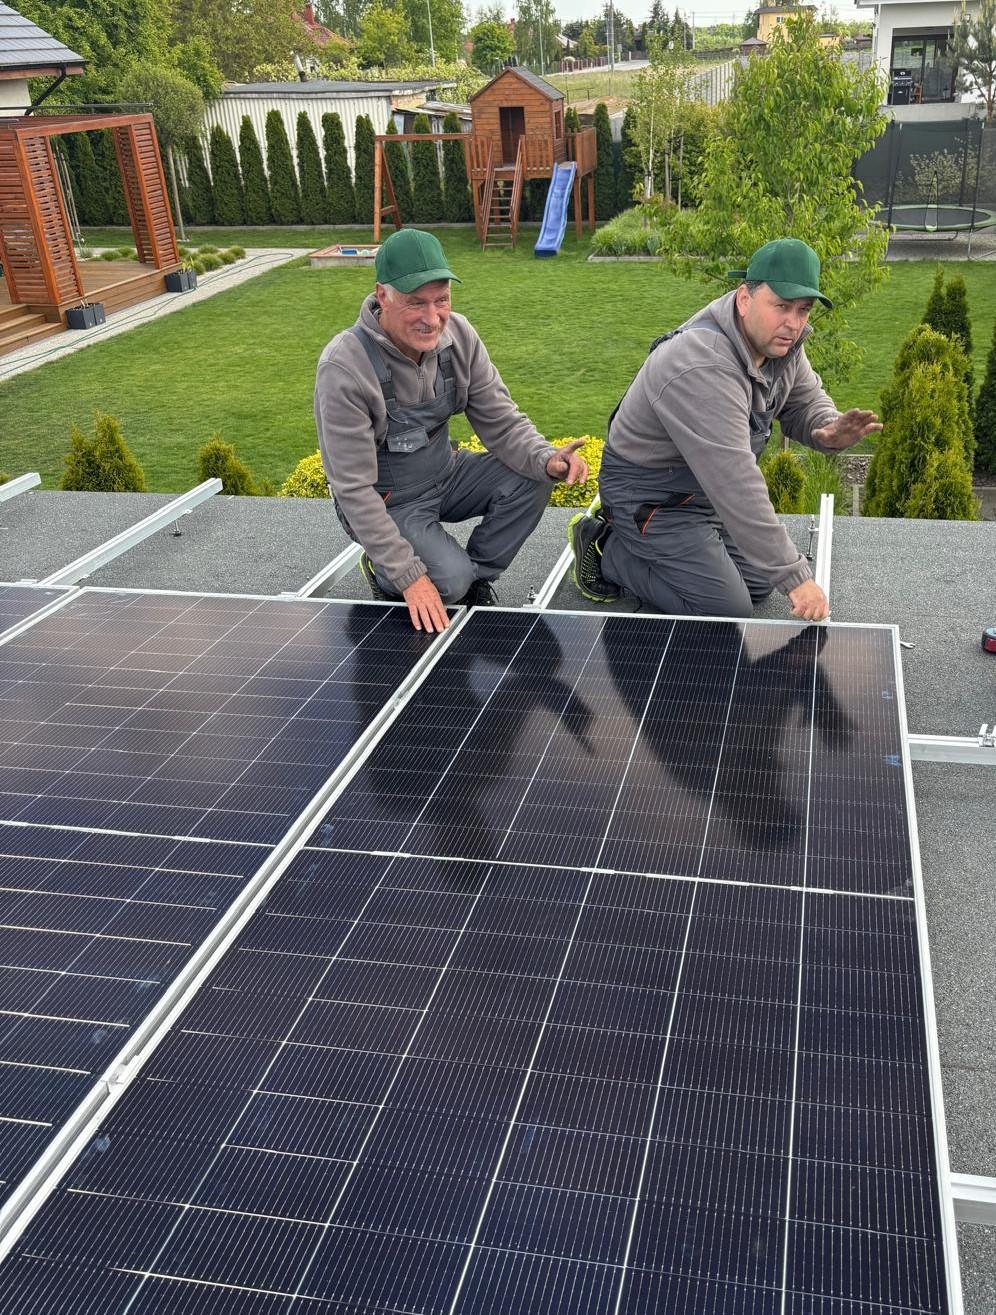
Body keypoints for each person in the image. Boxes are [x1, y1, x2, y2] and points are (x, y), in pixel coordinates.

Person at [568, 238, 881, 623]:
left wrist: (826, 431)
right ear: (744, 299)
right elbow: (734, 482)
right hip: (650, 498)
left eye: (803, 310)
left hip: (699, 495)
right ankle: (608, 548)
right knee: (723, 609)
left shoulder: (781, 345)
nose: (794, 323)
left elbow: (804, 401)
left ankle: (654, 548)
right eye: (781, 306)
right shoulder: (703, 366)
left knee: (757, 585)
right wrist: (796, 578)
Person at [315, 228, 587, 633]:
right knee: (446, 580)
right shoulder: (345, 367)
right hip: (389, 501)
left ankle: (470, 579)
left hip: (445, 473)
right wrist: (408, 576)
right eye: (415, 303)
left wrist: (546, 458)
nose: (432, 317)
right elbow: (352, 490)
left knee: (531, 478)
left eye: (441, 299)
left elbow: (501, 419)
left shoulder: (459, 336)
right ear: (382, 295)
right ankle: (388, 567)